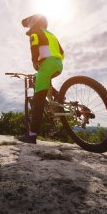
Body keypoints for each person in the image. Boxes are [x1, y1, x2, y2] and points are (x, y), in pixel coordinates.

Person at [17, 14, 65, 144]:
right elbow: (62, 52)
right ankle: (59, 96)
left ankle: (31, 136)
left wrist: (34, 61)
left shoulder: (35, 31)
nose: (29, 26)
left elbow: (34, 45)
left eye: (29, 23)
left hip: (46, 64)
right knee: (43, 82)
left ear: (34, 22)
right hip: (59, 64)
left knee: (38, 100)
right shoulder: (51, 34)